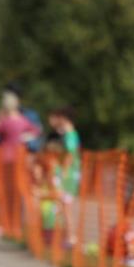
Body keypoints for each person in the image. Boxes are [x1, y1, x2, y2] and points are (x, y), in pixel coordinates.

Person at [0, 90, 38, 236]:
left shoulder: (5, 122)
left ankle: (9, 223)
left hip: (6, 159)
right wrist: (24, 138)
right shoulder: (23, 120)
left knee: (7, 192)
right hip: (20, 158)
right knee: (19, 190)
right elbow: (36, 131)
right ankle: (17, 224)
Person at [46, 106, 81, 247]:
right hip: (67, 174)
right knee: (63, 205)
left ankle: (71, 237)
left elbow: (70, 155)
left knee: (66, 205)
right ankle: (66, 235)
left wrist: (65, 173)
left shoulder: (70, 134)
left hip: (69, 175)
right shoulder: (66, 134)